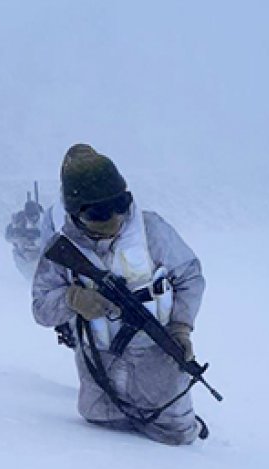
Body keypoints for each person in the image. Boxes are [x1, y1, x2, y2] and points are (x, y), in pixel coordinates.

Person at [31, 144, 207, 445]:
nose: (115, 218)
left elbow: (190, 276)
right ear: (77, 211)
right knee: (103, 432)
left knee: (177, 439)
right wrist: (72, 299)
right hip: (99, 365)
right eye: (99, 212)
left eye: (121, 204)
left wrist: (181, 327)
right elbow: (41, 307)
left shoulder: (152, 230)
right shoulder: (61, 250)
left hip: (158, 358)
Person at [5, 197, 56, 278]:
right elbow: (8, 237)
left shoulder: (45, 220)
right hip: (24, 254)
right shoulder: (19, 221)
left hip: (41, 253)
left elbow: (51, 236)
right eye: (30, 216)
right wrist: (18, 234)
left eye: (35, 216)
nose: (33, 218)